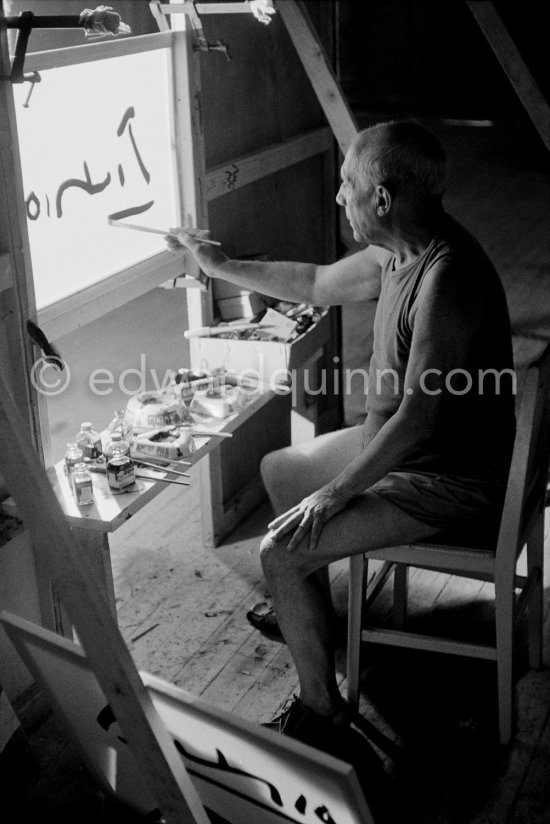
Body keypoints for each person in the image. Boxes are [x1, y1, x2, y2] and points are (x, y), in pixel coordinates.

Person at [167, 121, 515, 756]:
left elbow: (418, 417)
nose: (338, 198)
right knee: (279, 469)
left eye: (348, 185)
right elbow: (316, 285)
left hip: (446, 478)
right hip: (405, 451)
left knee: (279, 551)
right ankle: (312, 610)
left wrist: (334, 495)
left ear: (381, 200)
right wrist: (220, 265)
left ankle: (321, 713)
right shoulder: (399, 253)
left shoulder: (446, 278)